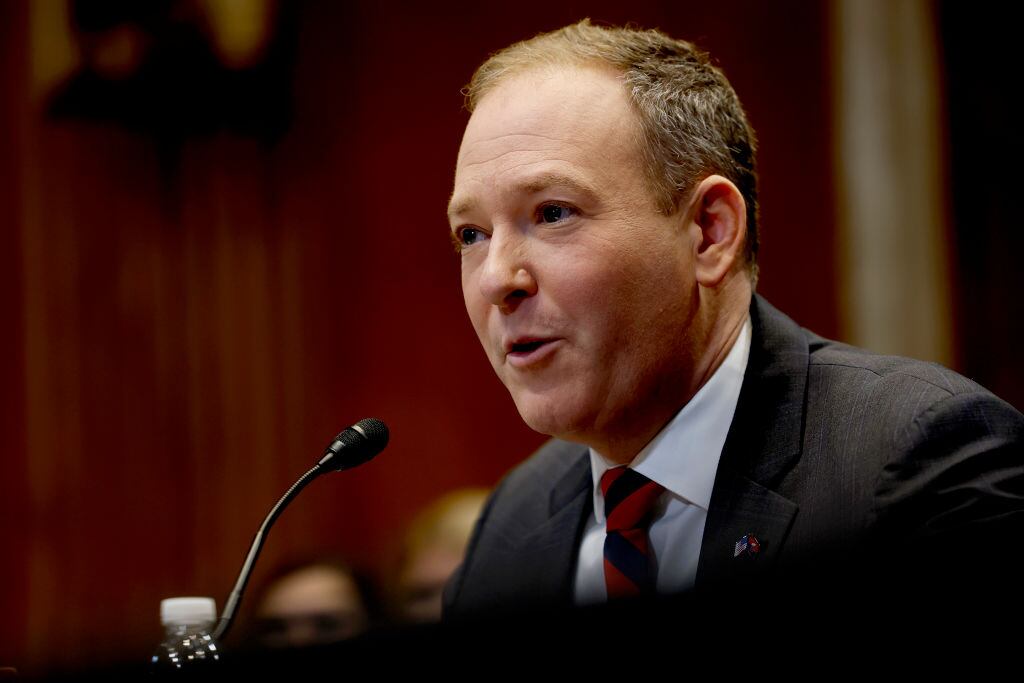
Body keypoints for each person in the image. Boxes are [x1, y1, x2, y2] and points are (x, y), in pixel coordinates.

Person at [442, 20, 1024, 620]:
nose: (496, 279)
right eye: (472, 234)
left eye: (553, 212)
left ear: (709, 232)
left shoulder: (918, 464)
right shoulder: (511, 530)